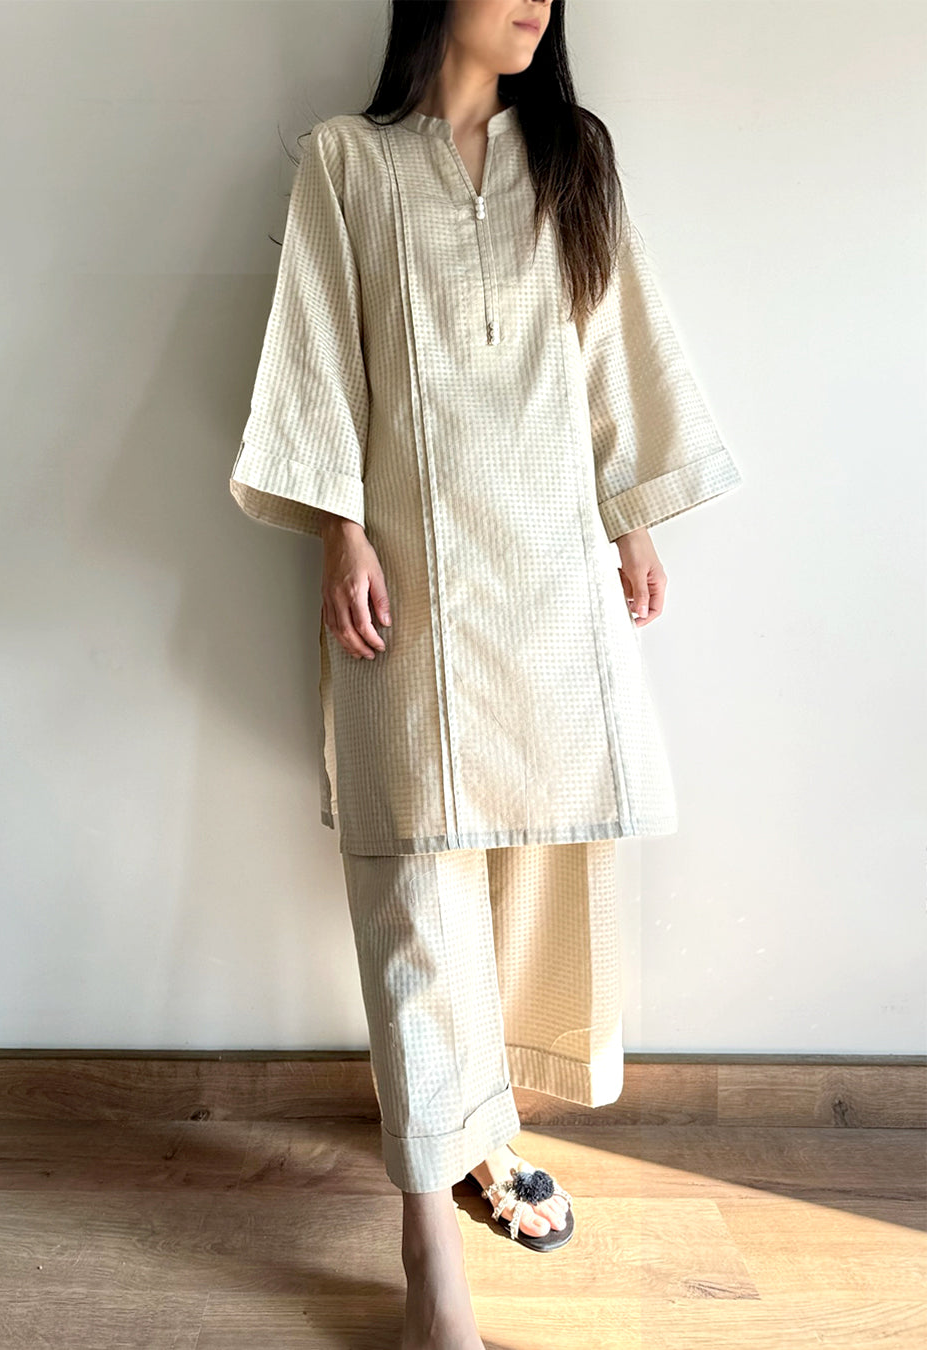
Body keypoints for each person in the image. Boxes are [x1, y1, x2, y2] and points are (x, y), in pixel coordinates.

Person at [230, 2, 743, 1346]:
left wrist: (632, 516)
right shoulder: (346, 160)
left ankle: (481, 1128)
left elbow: (608, 347)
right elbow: (319, 361)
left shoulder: (574, 154)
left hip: (552, 577)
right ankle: (427, 1256)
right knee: (412, 896)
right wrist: (338, 529)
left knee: (533, 882)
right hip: (405, 589)